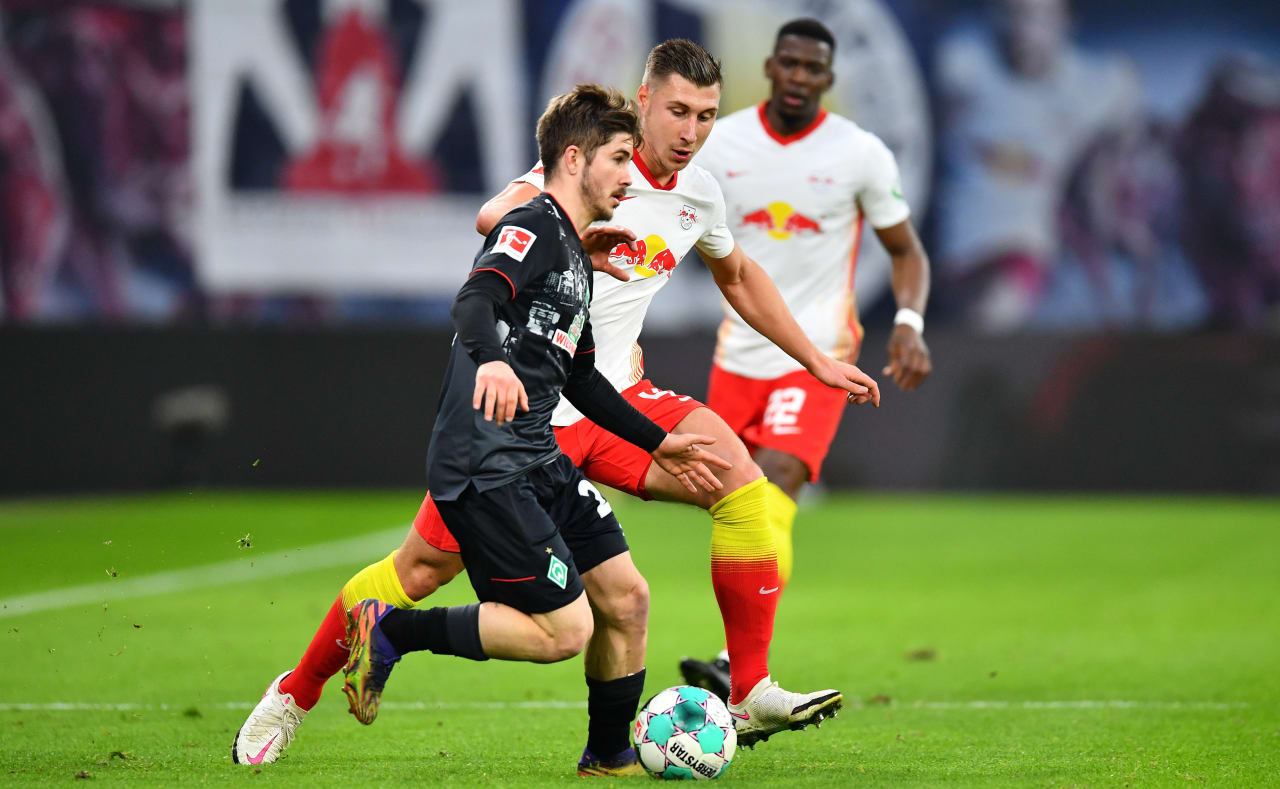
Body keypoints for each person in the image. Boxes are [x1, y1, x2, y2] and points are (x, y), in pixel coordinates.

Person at [232, 39, 878, 770]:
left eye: (706, 115)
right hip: (523, 421)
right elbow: (495, 217)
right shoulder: (584, 173)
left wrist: (815, 359)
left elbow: (736, 275)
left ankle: (737, 692)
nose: (691, 131)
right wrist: (556, 226)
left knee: (736, 496)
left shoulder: (698, 193)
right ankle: (294, 692)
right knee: (418, 573)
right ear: (642, 102)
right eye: (677, 111)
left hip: (609, 396)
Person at [677, 18, 933, 701]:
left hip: (817, 355)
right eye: (788, 63)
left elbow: (906, 250)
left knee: (775, 483)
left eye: (811, 67)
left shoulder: (860, 153)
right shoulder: (720, 142)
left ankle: (738, 667)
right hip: (737, 354)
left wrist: (908, 322)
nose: (798, 76)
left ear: (828, 77)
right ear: (770, 66)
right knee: (737, 507)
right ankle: (739, 663)